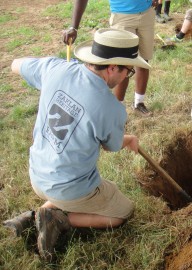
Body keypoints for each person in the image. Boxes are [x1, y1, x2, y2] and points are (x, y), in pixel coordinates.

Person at [3, 29, 151, 261]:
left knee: (78, 187)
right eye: (128, 71)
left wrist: (59, 74)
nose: (126, 77)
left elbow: (15, 64)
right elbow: (111, 146)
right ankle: (58, 219)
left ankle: (34, 216)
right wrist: (127, 139)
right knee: (122, 212)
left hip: (37, 173)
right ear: (113, 68)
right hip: (70, 186)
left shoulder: (55, 68)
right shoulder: (111, 108)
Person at [63, 0, 157, 117]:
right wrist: (74, 27)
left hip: (146, 13)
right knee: (121, 65)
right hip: (122, 16)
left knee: (143, 61)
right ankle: (117, 109)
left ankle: (139, 103)